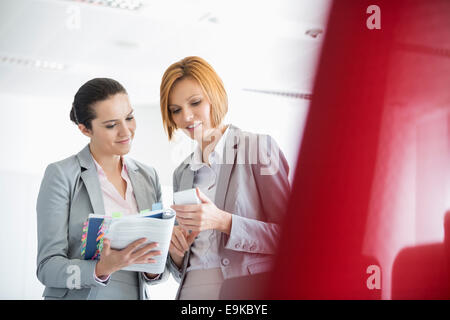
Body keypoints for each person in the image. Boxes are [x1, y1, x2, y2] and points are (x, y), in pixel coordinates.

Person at [159, 56, 291, 299]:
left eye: (195, 102)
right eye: (176, 110)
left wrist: (225, 222)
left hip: (242, 293)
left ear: (214, 97)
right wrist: (177, 253)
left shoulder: (258, 148)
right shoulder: (183, 172)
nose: (186, 117)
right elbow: (183, 268)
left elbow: (292, 239)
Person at [36, 78, 167, 300]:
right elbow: (47, 268)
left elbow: (156, 268)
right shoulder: (61, 175)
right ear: (85, 129)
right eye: (111, 125)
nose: (126, 131)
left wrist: (157, 263)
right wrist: (99, 269)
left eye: (129, 118)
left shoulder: (148, 176)